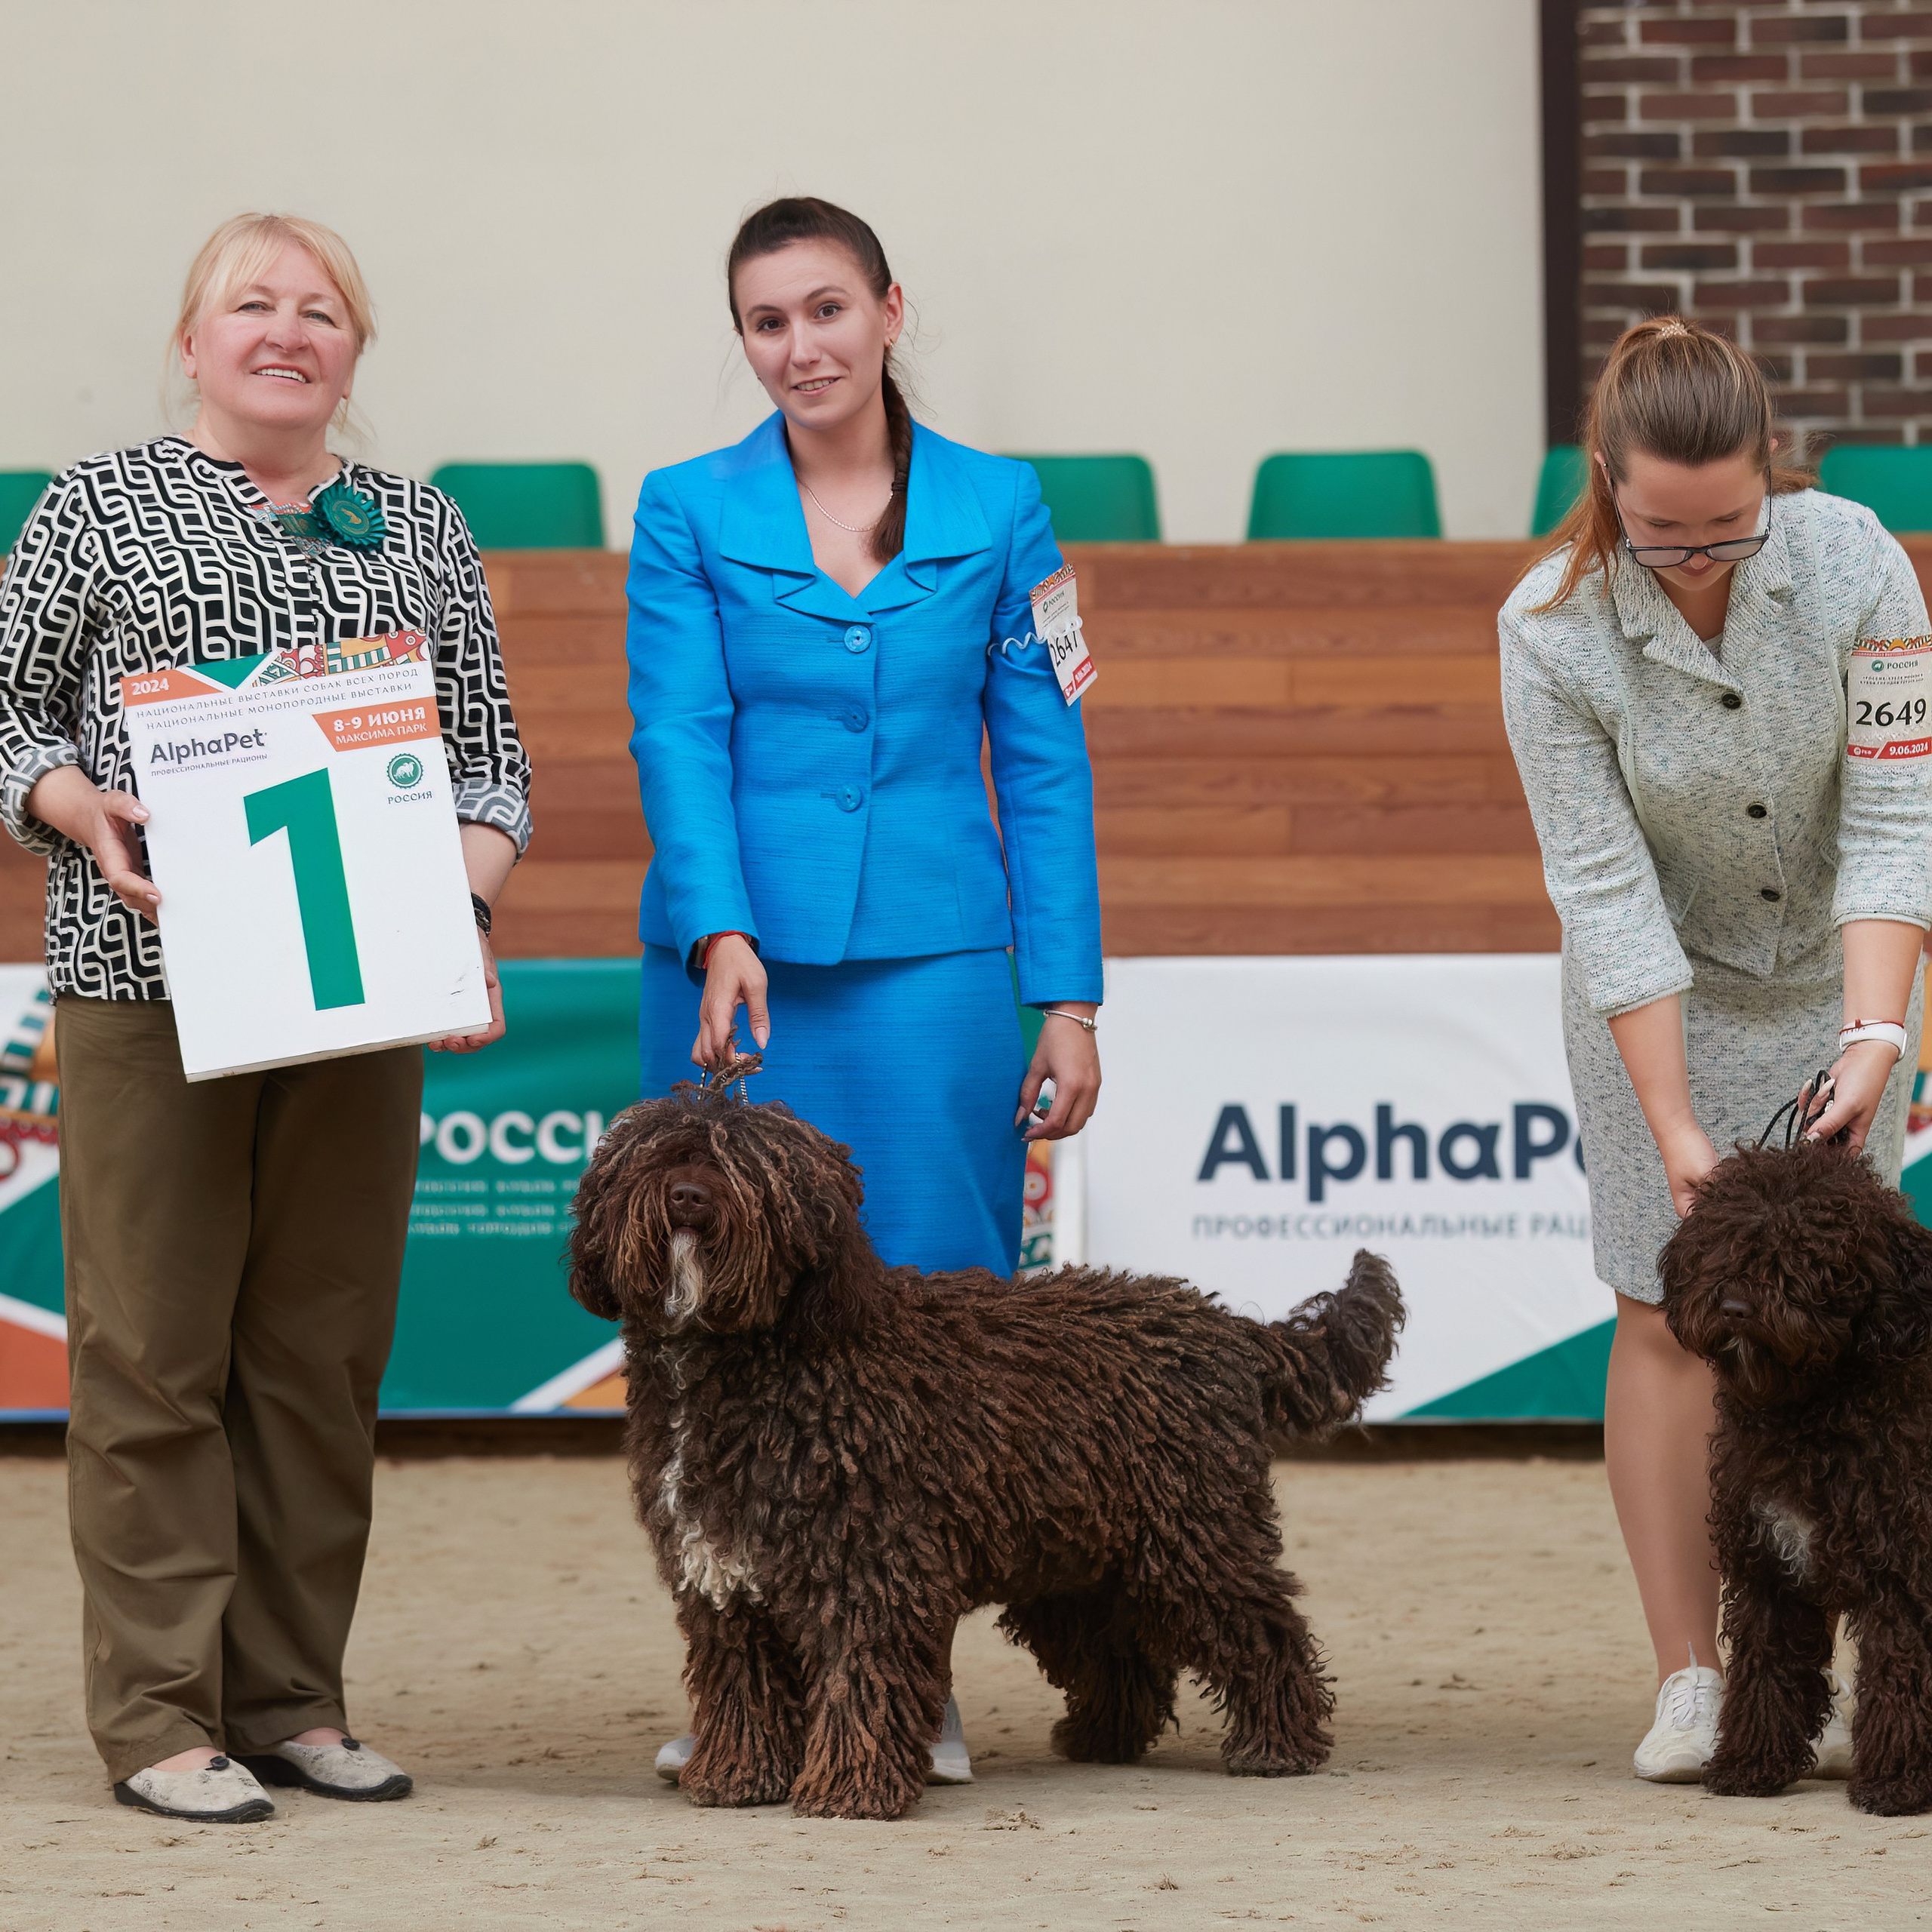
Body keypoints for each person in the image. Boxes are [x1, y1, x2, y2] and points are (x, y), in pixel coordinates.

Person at [0, 213, 531, 1822]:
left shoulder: (421, 527)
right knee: (155, 1354)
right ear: (192, 339)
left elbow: (491, 761)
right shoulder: (94, 506)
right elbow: (6, 711)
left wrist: (464, 909)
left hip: (360, 993)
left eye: (321, 311)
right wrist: (76, 800)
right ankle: (161, 1711)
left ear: (353, 352)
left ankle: (291, 1695)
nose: (287, 330)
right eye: (253, 305)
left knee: (314, 1354)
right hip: (142, 981)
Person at [625, 196, 1103, 1784]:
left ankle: (909, 1674)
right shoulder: (685, 509)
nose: (797, 347)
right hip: (731, 974)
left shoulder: (1002, 503)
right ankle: (750, 1684)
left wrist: (1068, 994)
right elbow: (677, 733)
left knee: (923, 1335)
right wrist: (717, 926)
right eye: (765, 322)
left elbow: (1039, 756)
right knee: (715, 1334)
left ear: (890, 311)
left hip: (942, 969)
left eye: (824, 310)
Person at [1500, 315, 1932, 1783]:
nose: (1694, 559)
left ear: (1773, 476)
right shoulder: (1544, 631)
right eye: (1660, 530)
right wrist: (1676, 1125)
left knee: (1856, 1329)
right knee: (1656, 1308)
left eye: (1728, 531)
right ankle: (1693, 1671)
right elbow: (1603, 893)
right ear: (1604, 482)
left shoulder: (1862, 566)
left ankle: (1883, 1636)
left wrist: (1873, 1036)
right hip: (1650, 1001)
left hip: (1836, 983)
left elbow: (1892, 814)